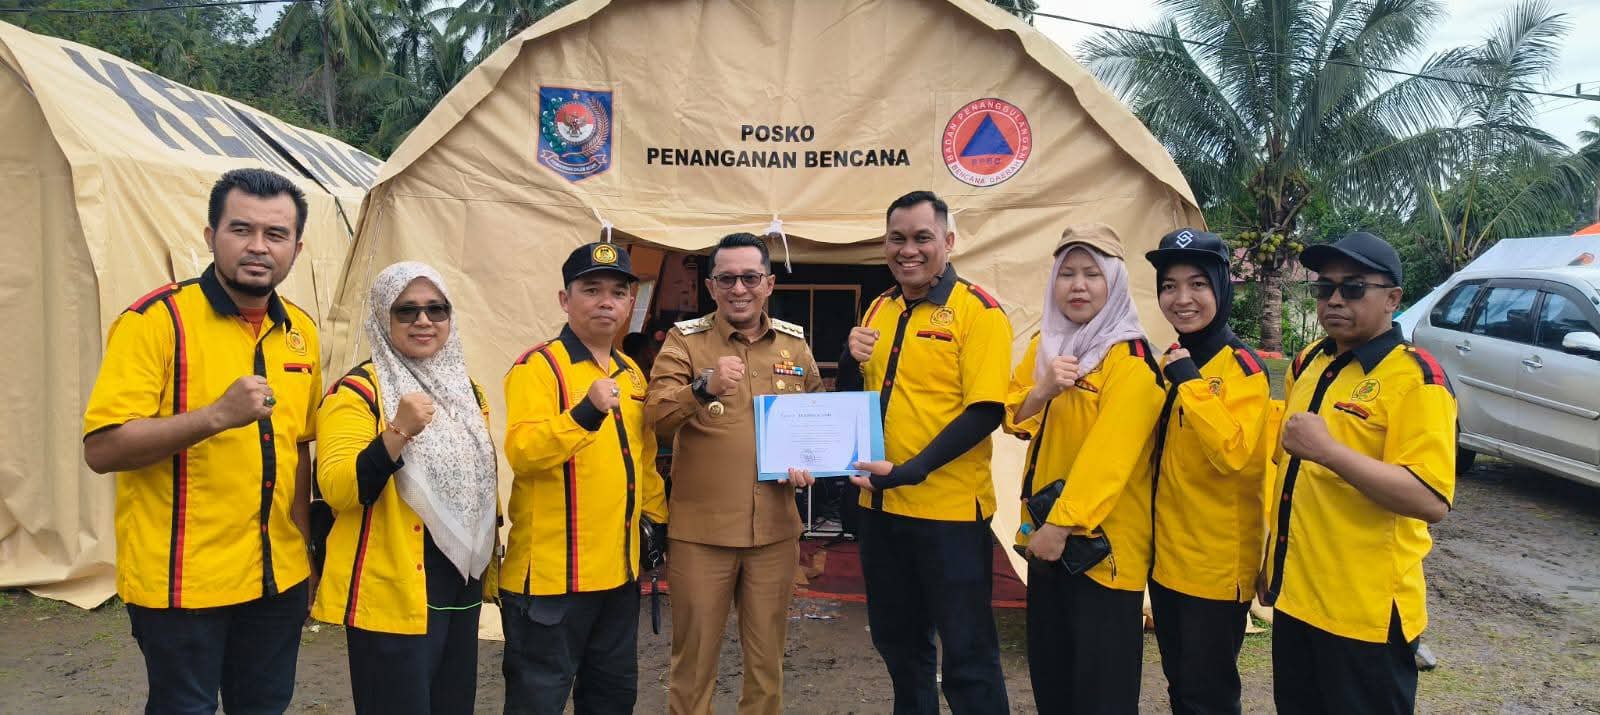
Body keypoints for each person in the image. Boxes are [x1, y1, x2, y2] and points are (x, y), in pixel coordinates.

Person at [82, 168, 321, 714]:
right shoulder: (155, 321)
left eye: (276, 234)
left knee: (265, 706)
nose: (258, 246)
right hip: (182, 585)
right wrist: (214, 416)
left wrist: (304, 554)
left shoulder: (301, 332)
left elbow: (298, 449)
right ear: (211, 235)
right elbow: (103, 449)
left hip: (276, 578)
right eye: (241, 229)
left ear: (297, 248)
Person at [1263, 231, 1455, 714]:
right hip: (1297, 600)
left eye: (1352, 288)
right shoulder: (1310, 361)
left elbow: (1429, 499)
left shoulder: (1416, 379)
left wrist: (1330, 452)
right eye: (1323, 287)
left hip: (1365, 615)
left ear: (1392, 298)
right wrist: (1272, 564)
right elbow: (1291, 481)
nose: (1334, 300)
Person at [840, 191, 1012, 714]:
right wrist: (848, 361)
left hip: (949, 516)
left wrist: (913, 471)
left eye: (922, 238)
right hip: (882, 509)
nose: (908, 250)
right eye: (897, 238)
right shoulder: (880, 307)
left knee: (968, 656)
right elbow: (863, 396)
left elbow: (985, 412)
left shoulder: (980, 312)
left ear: (948, 241)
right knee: (900, 648)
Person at [645, 232, 822, 715]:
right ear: (710, 286)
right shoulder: (685, 341)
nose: (738, 288)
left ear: (769, 284)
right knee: (693, 664)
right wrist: (702, 388)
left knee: (767, 666)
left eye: (749, 278)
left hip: (775, 532)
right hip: (702, 535)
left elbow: (814, 419)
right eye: (726, 279)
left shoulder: (793, 344)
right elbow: (656, 417)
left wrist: (809, 462)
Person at [313, 262, 501, 713]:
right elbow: (339, 488)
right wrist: (397, 431)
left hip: (460, 584)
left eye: (437, 309)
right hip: (392, 589)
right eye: (406, 310)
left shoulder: (467, 392)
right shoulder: (357, 392)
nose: (423, 320)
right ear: (383, 317)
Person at [1003, 224, 1166, 714]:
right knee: (1053, 679)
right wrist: (1043, 390)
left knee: (1101, 691)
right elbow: (1013, 417)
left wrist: (1059, 527)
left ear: (1114, 282)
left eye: (1092, 274)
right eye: (1067, 273)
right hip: (1047, 539)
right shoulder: (1048, 345)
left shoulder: (1132, 359)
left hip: (1102, 552)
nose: (1078, 286)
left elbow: (1109, 458)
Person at [500, 242, 668, 715]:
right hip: (552, 581)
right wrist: (585, 413)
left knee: (611, 700)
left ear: (631, 302)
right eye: (591, 290)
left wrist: (656, 519)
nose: (605, 301)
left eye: (618, 292)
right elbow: (524, 454)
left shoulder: (631, 373)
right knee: (537, 703)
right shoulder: (538, 367)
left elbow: (644, 458)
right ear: (564, 299)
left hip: (618, 577)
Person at [1143, 229, 1272, 714]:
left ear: (1221, 287)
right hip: (1166, 559)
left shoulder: (1244, 369)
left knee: (1209, 695)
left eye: (1197, 284)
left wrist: (1191, 384)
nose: (1182, 299)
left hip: (1215, 569)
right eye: (1169, 285)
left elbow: (1232, 454)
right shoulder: (1168, 360)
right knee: (1180, 686)